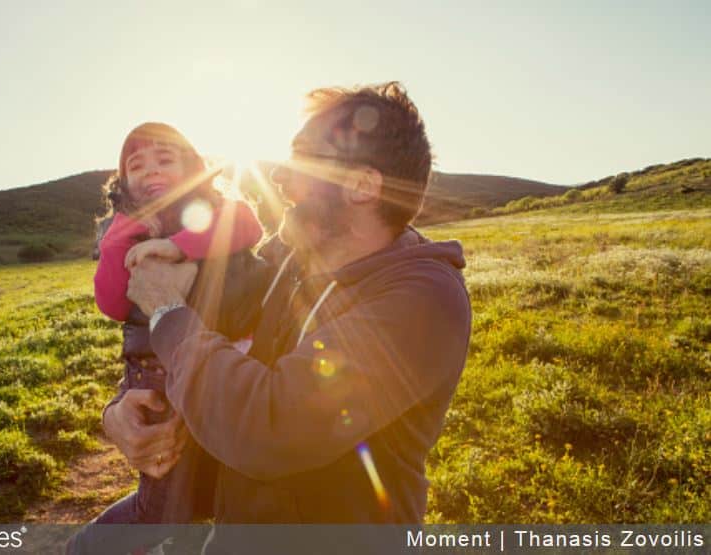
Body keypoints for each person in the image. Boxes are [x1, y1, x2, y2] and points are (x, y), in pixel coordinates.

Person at [112, 82, 471, 549]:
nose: (280, 176)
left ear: (363, 185)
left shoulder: (423, 301)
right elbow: (210, 343)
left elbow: (268, 428)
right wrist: (119, 412)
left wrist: (165, 310)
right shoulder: (286, 256)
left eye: (303, 160)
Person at [70, 122, 263, 553]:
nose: (151, 170)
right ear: (124, 182)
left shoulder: (218, 208)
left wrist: (180, 246)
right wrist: (120, 235)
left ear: (193, 166)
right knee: (162, 507)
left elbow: (248, 226)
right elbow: (113, 303)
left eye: (165, 159)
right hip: (158, 383)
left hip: (230, 368)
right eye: (136, 165)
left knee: (231, 491)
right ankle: (84, 547)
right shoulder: (125, 230)